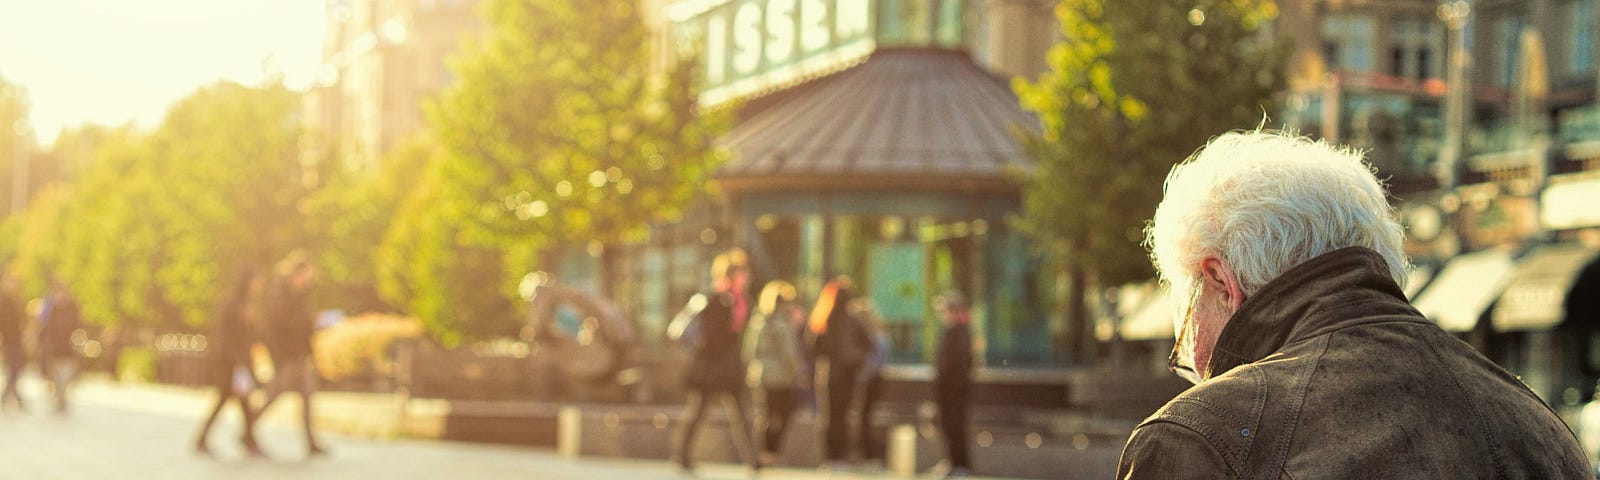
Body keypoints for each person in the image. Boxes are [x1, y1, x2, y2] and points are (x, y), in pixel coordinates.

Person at [1120, 130, 1589, 477]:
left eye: (1184, 343)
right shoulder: (1542, 430)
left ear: (1222, 282)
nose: (1196, 370)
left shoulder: (1198, 438)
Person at [673, 249, 760, 472]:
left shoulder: (738, 300)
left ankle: (753, 459)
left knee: (740, 413)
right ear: (734, 275)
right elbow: (713, 335)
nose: (746, 277)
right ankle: (681, 455)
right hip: (713, 368)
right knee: (701, 411)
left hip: (727, 367)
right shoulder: (720, 299)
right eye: (742, 272)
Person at [254, 251, 328, 456]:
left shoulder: (300, 294)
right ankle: (248, 429)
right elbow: (278, 326)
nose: (309, 280)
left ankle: (311, 442)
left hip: (299, 355)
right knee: (274, 395)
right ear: (298, 272)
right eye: (308, 274)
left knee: (306, 395)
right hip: (286, 355)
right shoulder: (280, 293)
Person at [195, 268, 266, 457]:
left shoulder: (247, 304)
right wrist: (237, 361)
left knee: (241, 401)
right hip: (231, 362)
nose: (259, 286)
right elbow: (226, 335)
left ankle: (247, 440)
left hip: (240, 361)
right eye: (256, 282)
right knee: (228, 399)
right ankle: (247, 440)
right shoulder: (231, 304)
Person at [808, 277, 874, 470]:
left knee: (832, 416)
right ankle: (839, 457)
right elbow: (869, 345)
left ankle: (831, 457)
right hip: (845, 374)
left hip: (830, 374)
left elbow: (812, 348)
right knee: (842, 415)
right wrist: (855, 358)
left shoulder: (823, 317)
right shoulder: (850, 320)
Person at [743, 280, 805, 466]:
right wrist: (799, 371)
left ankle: (762, 453)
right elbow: (790, 353)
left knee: (766, 414)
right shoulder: (782, 323)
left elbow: (748, 351)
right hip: (781, 376)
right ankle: (771, 452)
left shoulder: (757, 320)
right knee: (783, 414)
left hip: (760, 375)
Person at [933, 291, 973, 477]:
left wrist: (951, 386)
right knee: (949, 426)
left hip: (955, 390)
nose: (943, 315)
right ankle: (953, 462)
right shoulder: (952, 332)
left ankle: (960, 464)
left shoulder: (960, 333)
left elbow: (959, 365)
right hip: (948, 389)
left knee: (955, 426)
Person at [853, 298, 889, 467]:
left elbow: (874, 363)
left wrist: (861, 379)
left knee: (866, 418)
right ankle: (866, 455)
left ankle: (871, 455)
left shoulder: (875, 337)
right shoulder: (875, 335)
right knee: (864, 417)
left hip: (871, 381)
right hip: (871, 380)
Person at [36, 281, 82, 413]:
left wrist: (78, 340)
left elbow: (78, 326)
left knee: (66, 377)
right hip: (53, 349)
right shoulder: (50, 309)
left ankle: (62, 398)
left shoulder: (72, 308)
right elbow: (43, 327)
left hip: (68, 349)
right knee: (55, 377)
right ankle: (58, 397)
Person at [0, 274, 26, 412]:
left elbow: (22, 321)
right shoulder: (3, 302)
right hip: (8, 341)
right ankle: (9, 396)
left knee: (16, 369)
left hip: (17, 340)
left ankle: (10, 395)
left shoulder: (17, 301)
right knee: (13, 369)